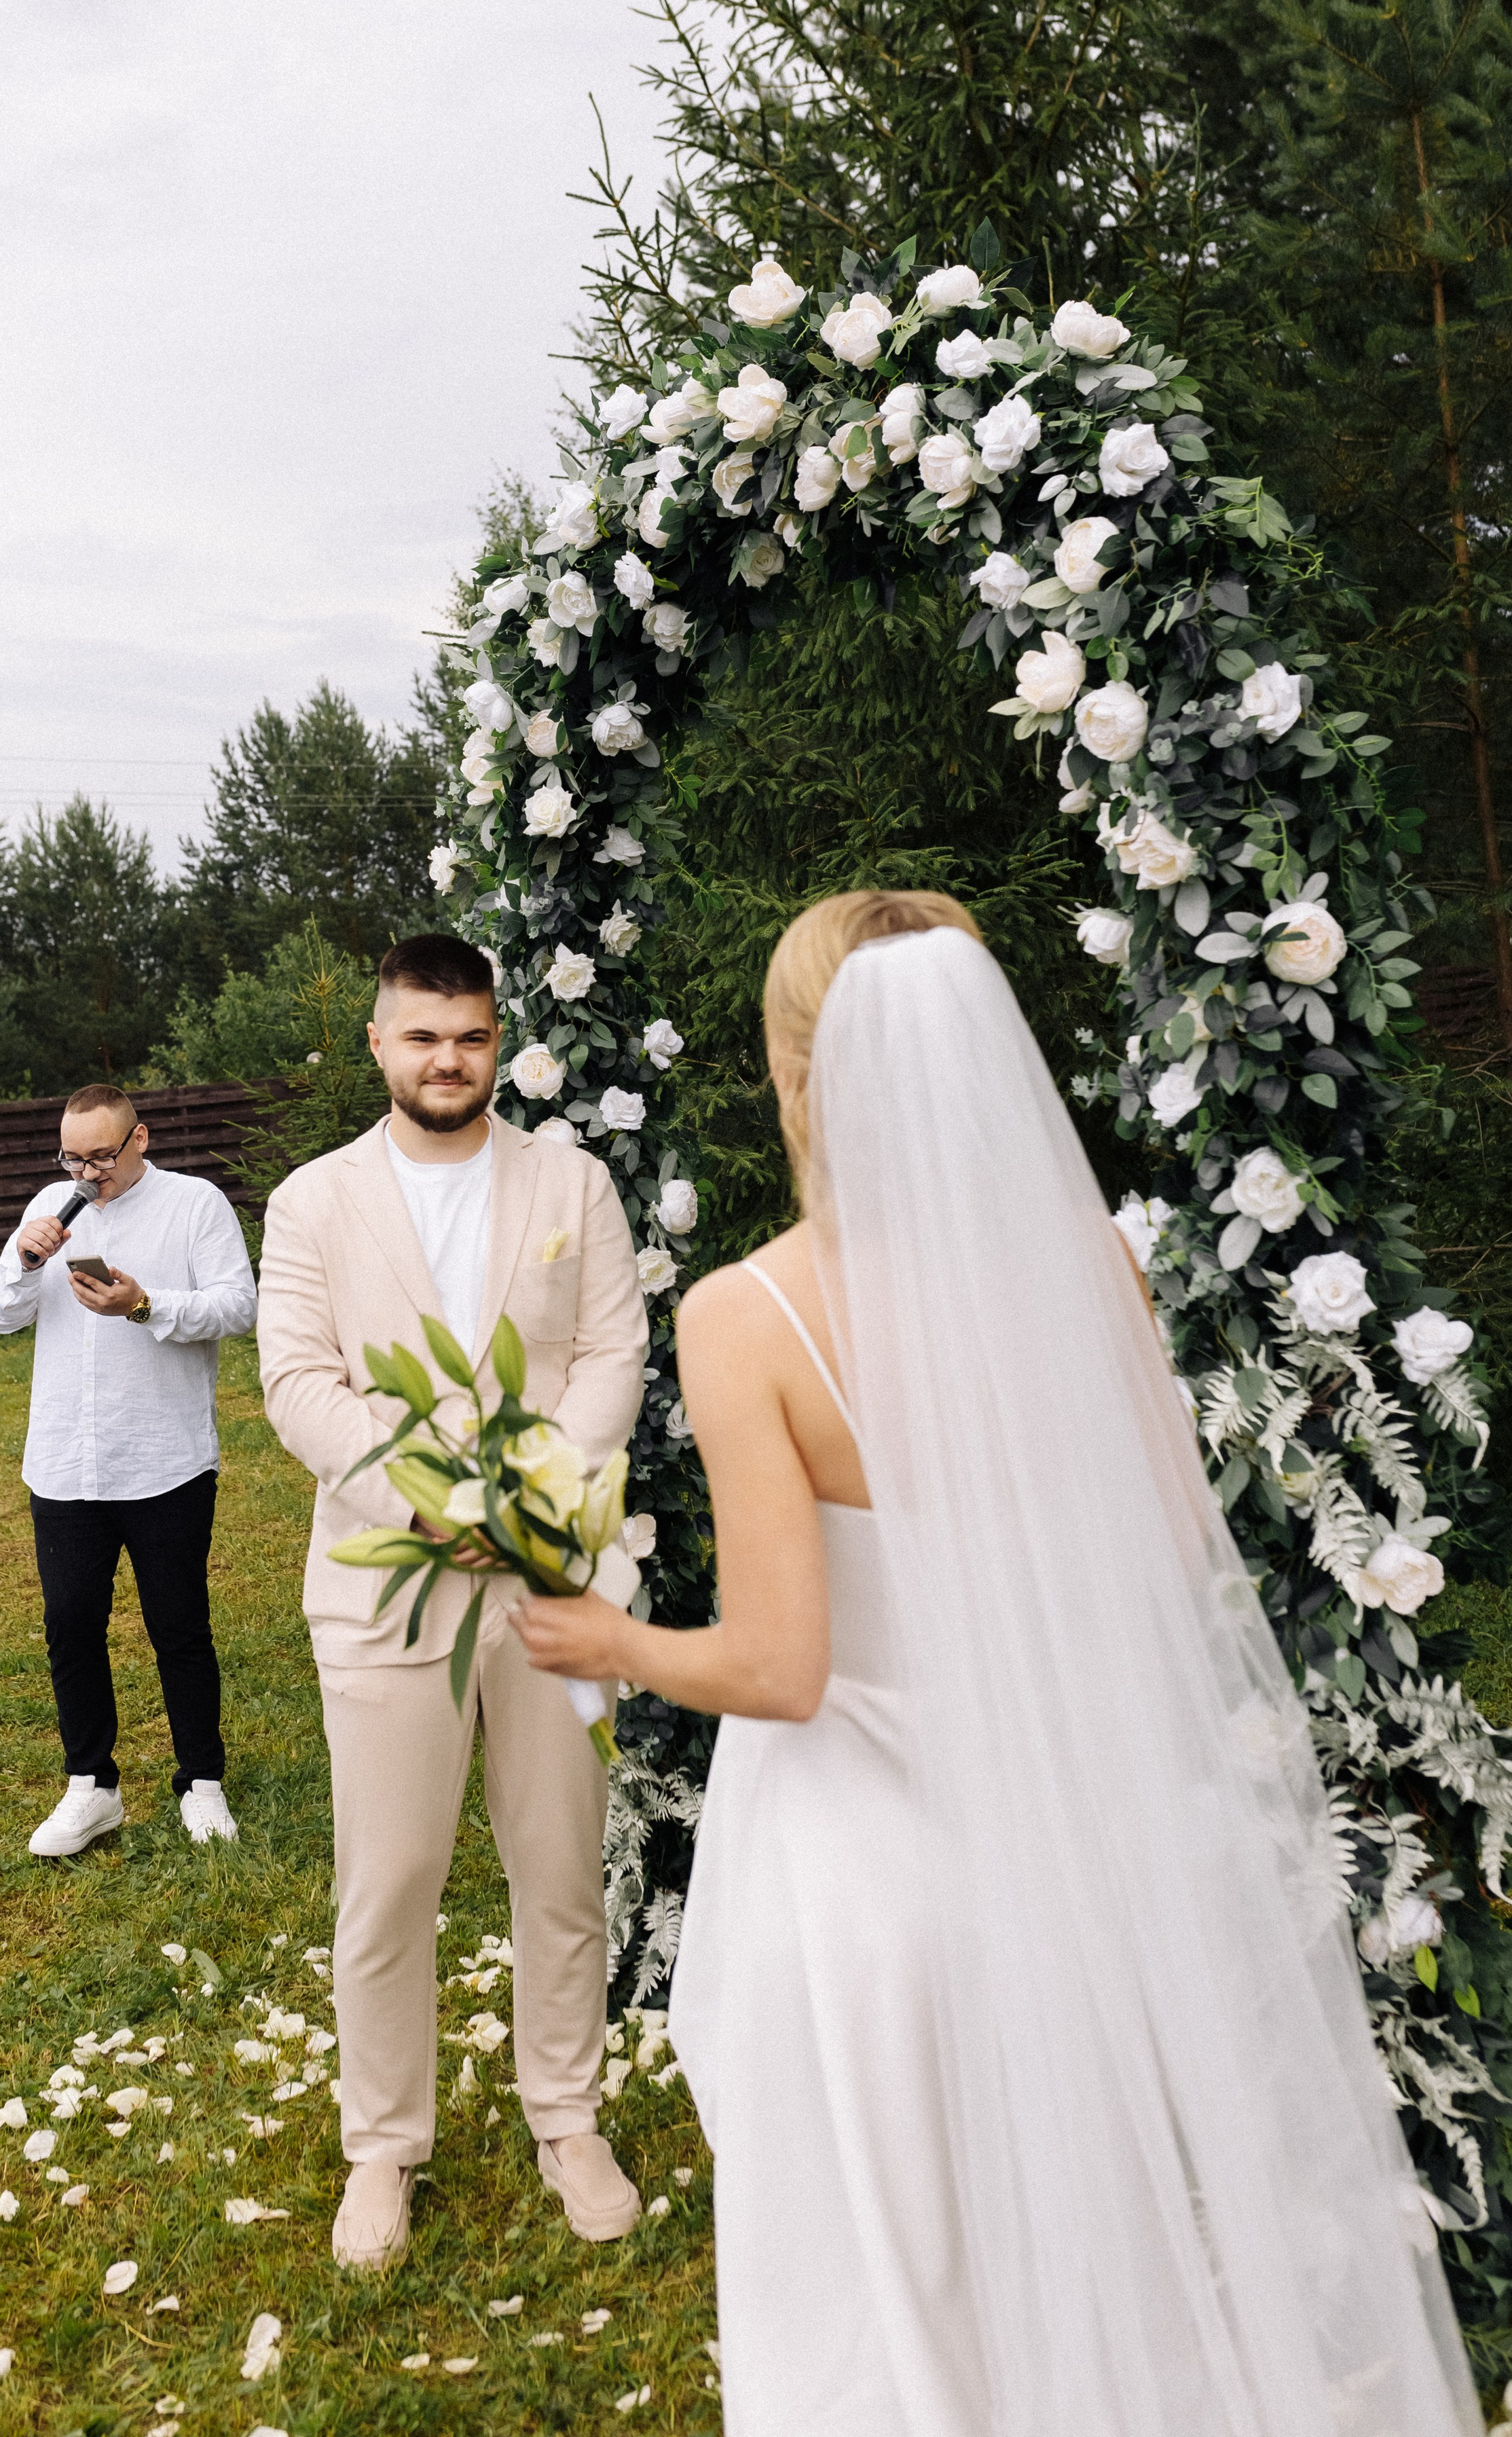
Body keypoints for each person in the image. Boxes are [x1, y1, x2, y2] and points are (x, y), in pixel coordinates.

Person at [517, 891, 1481, 2437]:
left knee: (873, 2300)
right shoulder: (1095, 1263)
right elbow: (1172, 1557)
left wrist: (601, 1638)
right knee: (1076, 2258)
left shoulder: (744, 1314)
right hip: (1049, 1851)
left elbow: (779, 1665)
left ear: (794, 1068)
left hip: (858, 1891)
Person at [257, 932, 650, 2273]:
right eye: (420, 1036)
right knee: (389, 1877)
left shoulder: (572, 1183)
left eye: (469, 1037)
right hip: (385, 1583)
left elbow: (609, 1350)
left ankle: (566, 2119)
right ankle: (383, 2148)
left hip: (550, 1578)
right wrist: (424, 1499)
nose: (446, 1059)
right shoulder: (312, 1202)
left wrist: (532, 1494)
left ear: (496, 1041)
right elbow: (298, 1381)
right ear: (378, 1044)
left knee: (556, 1864)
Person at [0, 1081, 257, 1858]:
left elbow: (240, 1306)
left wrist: (145, 1306)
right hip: (65, 1461)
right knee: (71, 1625)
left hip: (164, 1458)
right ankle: (90, 1788)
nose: (88, 1174)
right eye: (73, 1157)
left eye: (101, 1155)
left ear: (141, 1139)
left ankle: (202, 1785)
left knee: (179, 1627)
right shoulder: (50, 1207)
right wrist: (26, 1263)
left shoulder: (196, 1205)